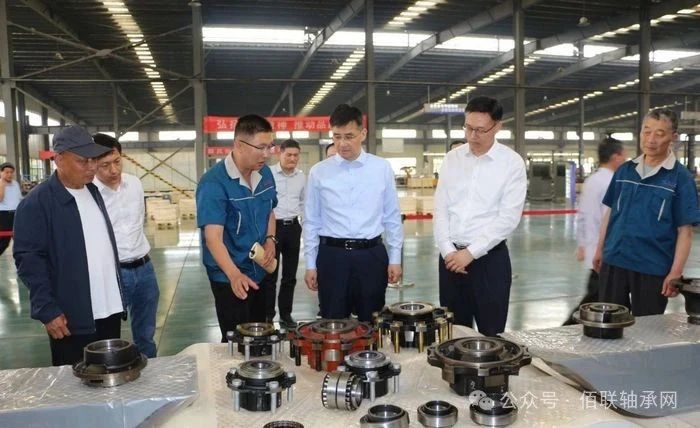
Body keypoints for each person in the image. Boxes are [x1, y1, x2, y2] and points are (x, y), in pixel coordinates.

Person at [13, 126, 125, 366]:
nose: (92, 167)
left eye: (93, 159)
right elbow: (29, 260)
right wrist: (47, 310)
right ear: (59, 159)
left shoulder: (92, 191)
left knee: (109, 374)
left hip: (109, 308)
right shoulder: (38, 203)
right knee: (75, 379)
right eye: (82, 161)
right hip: (72, 317)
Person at [433, 96, 526, 336]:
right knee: (454, 334)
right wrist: (448, 251)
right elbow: (441, 208)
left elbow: (508, 218)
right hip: (451, 262)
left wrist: (470, 253)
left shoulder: (511, 163)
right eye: (468, 128)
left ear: (497, 126)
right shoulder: (452, 159)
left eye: (480, 130)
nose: (473, 136)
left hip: (489, 262)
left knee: (491, 335)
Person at [593, 108, 700, 315]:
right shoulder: (625, 171)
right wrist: (600, 249)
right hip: (615, 260)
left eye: (659, 134)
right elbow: (611, 213)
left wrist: (676, 271)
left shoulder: (681, 178)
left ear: (673, 137)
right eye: (646, 131)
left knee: (648, 328)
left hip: (652, 267)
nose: (651, 140)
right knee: (609, 325)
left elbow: (685, 232)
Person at [304, 104, 403, 322]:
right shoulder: (319, 172)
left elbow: (392, 216)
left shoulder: (381, 168)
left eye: (349, 136)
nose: (342, 143)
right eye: (337, 137)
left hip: (371, 256)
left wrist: (395, 258)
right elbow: (311, 221)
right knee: (333, 323)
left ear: (363, 134)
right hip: (332, 257)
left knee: (372, 321)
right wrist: (310, 264)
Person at [196, 114, 278, 342]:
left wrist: (270, 239)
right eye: (261, 147)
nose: (267, 154)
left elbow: (270, 211)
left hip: (260, 268)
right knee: (237, 341)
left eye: (270, 146)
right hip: (230, 276)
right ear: (239, 145)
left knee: (261, 334)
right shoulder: (213, 183)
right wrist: (233, 275)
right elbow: (213, 238)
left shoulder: (265, 174)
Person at [93, 133, 160, 357]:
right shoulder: (89, 194)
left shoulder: (134, 184)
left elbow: (138, 221)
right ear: (92, 164)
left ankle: (149, 369)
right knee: (108, 335)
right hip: (113, 273)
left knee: (146, 334)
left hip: (145, 268)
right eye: (105, 165)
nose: (113, 170)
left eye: (117, 161)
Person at [563, 137, 625, 325]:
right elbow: (610, 219)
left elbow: (583, 215)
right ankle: (568, 328)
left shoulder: (592, 180)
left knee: (602, 295)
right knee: (597, 298)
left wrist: (582, 244)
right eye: (623, 156)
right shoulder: (611, 182)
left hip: (594, 248)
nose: (624, 160)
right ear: (615, 157)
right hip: (605, 251)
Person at [260, 139, 305, 328]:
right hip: (273, 228)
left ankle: (286, 315)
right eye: (289, 155)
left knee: (290, 275)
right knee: (270, 274)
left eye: (296, 155)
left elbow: (303, 203)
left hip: (293, 227)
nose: (292, 159)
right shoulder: (267, 174)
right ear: (280, 153)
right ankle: (267, 316)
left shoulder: (302, 177)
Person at [0, 162, 21, 256]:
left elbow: (19, 198)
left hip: (16, 214)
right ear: (1, 172)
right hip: (3, 215)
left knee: (20, 240)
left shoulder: (15, 183)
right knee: (4, 241)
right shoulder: (0, 183)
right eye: (6, 172)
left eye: (11, 172)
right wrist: (2, 184)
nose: (9, 174)